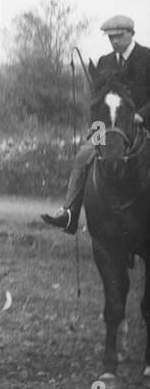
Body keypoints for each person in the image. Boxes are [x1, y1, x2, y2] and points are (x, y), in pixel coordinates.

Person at [41, 14, 150, 234]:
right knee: (83, 156)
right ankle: (69, 212)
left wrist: (141, 115)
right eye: (110, 37)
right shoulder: (104, 62)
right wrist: (97, 124)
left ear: (131, 33)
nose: (114, 41)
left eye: (118, 36)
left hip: (142, 122)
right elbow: (99, 100)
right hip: (107, 127)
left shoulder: (147, 58)